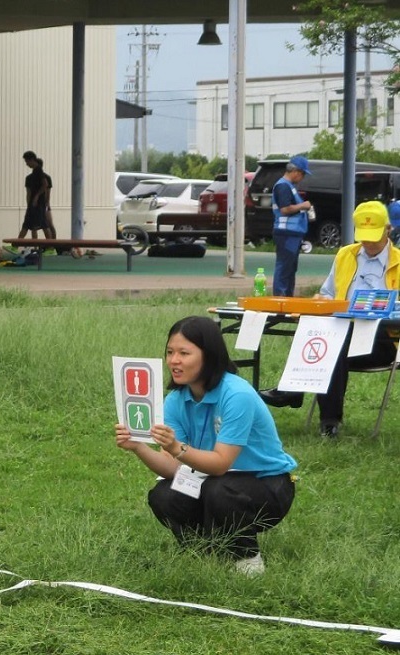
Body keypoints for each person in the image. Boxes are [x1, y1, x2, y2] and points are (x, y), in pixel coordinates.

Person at [114, 316, 296, 576]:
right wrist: (138, 447)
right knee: (163, 494)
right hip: (213, 481)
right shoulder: (176, 400)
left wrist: (178, 449)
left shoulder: (237, 394)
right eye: (170, 352)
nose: (174, 360)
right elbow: (172, 469)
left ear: (208, 356)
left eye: (184, 353)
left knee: (217, 489)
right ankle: (206, 551)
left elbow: (221, 464)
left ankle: (247, 559)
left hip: (269, 483)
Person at [264, 201, 400, 436]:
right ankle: (329, 423)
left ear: (388, 230)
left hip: (385, 339)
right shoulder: (345, 255)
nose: (367, 243)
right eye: (363, 236)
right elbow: (327, 293)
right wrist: (320, 299)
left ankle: (293, 389)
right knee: (332, 343)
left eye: (374, 237)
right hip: (342, 334)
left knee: (334, 342)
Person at [271, 155, 313, 297]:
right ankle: (280, 296)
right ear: (295, 172)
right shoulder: (283, 186)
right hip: (286, 232)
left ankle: (287, 296)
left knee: (290, 268)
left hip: (293, 233)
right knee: (284, 267)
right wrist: (304, 205)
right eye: (302, 175)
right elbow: (285, 209)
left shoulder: (289, 186)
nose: (302, 178)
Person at [17, 151, 48, 239]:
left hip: (37, 203)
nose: (26, 164)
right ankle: (17, 244)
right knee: (29, 225)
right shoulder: (35, 171)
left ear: (31, 160)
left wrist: (36, 197)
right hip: (34, 203)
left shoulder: (38, 170)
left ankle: (50, 246)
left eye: (27, 162)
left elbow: (45, 184)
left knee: (42, 225)